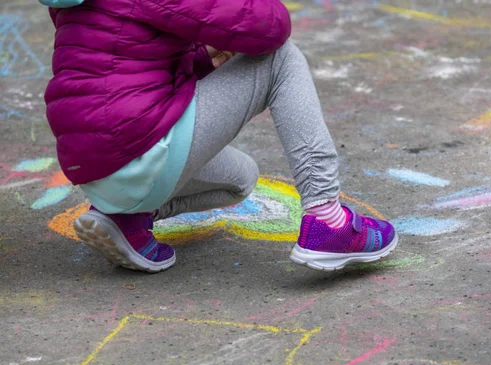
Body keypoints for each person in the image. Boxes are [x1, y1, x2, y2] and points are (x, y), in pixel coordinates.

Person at [40, 0, 398, 273]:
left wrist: (200, 58)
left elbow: (129, 58)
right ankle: (328, 220)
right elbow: (269, 27)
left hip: (96, 166)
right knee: (280, 58)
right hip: (137, 144)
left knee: (241, 180)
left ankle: (127, 219)